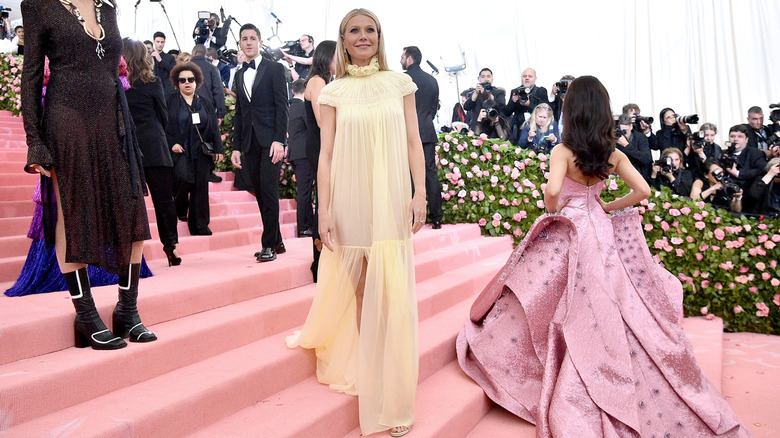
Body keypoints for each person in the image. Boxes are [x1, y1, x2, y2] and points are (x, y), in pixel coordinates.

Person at [457, 75, 751, 438]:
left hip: (569, 226)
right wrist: (605, 205)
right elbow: (642, 190)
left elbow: (552, 191)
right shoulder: (612, 154)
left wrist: (556, 208)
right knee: (612, 300)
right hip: (599, 227)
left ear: (571, 110)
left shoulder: (562, 151)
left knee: (547, 293)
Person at [286, 9, 426, 437]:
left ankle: (392, 389)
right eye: (354, 31)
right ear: (342, 41)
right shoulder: (333, 93)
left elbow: (412, 141)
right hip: (349, 199)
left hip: (391, 198)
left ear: (379, 37)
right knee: (363, 287)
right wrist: (322, 210)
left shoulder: (401, 84)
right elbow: (324, 157)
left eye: (370, 30)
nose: (362, 37)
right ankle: (371, 372)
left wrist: (420, 193)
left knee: (392, 286)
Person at [21, 0, 156, 349]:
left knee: (132, 212)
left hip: (113, 119)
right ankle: (86, 314)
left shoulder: (107, 6)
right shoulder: (39, 5)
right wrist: (35, 141)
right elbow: (32, 74)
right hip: (66, 119)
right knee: (74, 215)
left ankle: (127, 309)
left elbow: (113, 69)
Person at [230, 24, 288, 262]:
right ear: (240, 44)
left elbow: (282, 107)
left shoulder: (274, 68)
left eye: (253, 38)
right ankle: (277, 240)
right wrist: (235, 146)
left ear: (260, 42)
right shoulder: (240, 73)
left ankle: (268, 245)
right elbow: (241, 113)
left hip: (270, 142)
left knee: (269, 190)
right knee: (260, 193)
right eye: (244, 39)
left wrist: (279, 140)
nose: (249, 42)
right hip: (249, 143)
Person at [122, 38, 181, 267]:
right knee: (164, 201)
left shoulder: (116, 84)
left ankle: (131, 252)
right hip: (155, 147)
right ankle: (170, 246)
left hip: (128, 149)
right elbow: (163, 115)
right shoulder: (153, 81)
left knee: (131, 203)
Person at [166, 62, 225, 236]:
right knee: (184, 179)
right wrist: (172, 144)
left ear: (196, 81)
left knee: (200, 188)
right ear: (177, 83)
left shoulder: (205, 102)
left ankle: (200, 225)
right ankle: (180, 206)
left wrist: (219, 149)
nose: (187, 82)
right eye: (182, 80)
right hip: (181, 150)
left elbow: (214, 126)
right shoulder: (170, 101)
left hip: (201, 151)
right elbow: (164, 126)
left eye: (190, 79)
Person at [303, 39, 337, 281]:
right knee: (323, 200)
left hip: (327, 146)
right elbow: (321, 120)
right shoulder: (317, 82)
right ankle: (319, 261)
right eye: (338, 57)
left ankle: (327, 258)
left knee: (330, 199)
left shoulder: (327, 82)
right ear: (327, 58)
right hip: (320, 148)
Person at [401, 45, 442, 229]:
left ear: (409, 59)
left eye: (402, 57)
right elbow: (434, 110)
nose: (400, 60)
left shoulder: (403, 79)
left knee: (409, 173)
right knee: (431, 173)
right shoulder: (432, 81)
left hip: (407, 132)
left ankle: (410, 217)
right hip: (427, 130)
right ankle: (437, 217)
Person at [288, 78, 314, 237]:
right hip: (304, 154)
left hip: (295, 153)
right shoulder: (304, 108)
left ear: (292, 91)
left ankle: (307, 225)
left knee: (304, 190)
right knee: (305, 191)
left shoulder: (290, 108)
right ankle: (304, 227)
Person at [505, 68, 548, 144]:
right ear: (521, 78)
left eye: (530, 76)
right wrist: (513, 102)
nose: (527, 78)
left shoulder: (541, 91)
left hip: (536, 127)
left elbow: (545, 110)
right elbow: (507, 112)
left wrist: (529, 104)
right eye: (524, 76)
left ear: (535, 79)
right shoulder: (515, 91)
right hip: (518, 128)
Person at [723, 124, 768, 190]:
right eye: (732, 136)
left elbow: (761, 169)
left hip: (747, 192)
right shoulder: (723, 153)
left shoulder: (756, 153)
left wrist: (738, 173)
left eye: (740, 137)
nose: (735, 139)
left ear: (747, 139)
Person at [616, 113, 653, 183]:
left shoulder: (640, 138)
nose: (623, 134)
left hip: (638, 175)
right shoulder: (614, 138)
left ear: (631, 127)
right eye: (621, 131)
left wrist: (626, 145)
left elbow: (646, 159)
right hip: (619, 176)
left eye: (625, 131)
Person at [151, 31, 176, 95]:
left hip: (166, 91)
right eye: (158, 42)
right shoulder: (148, 57)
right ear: (154, 41)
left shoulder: (170, 58)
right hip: (151, 89)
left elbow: (174, 71)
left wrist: (160, 60)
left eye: (162, 42)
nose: (160, 44)